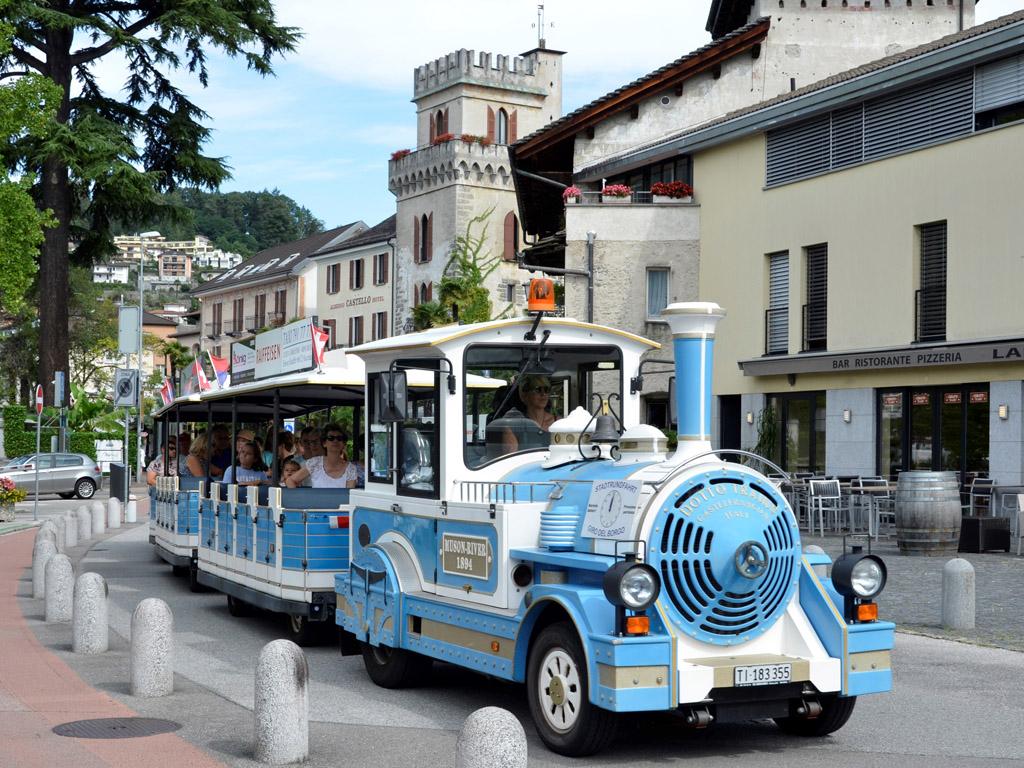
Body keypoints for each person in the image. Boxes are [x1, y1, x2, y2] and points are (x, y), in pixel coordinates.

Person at [285, 424, 360, 489]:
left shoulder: (351, 469)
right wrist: (302, 501)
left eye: (339, 438)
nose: (335, 441)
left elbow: (349, 497)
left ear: (343, 444)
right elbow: (290, 481)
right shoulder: (315, 463)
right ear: (324, 443)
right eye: (331, 438)